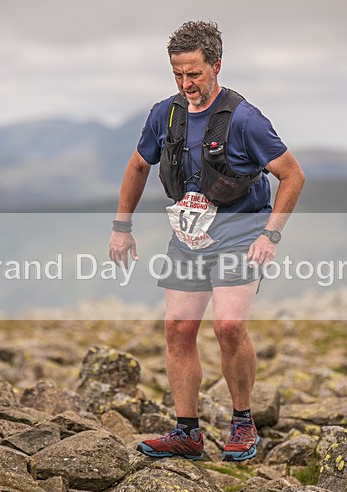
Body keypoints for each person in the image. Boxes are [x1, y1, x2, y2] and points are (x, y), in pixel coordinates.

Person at [109, 20, 305, 462]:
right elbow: (138, 165)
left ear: (217, 65)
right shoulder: (165, 114)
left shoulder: (245, 120)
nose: (186, 83)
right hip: (188, 235)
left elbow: (293, 175)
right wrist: (122, 226)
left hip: (241, 233)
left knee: (229, 327)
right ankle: (187, 432)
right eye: (178, 74)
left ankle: (243, 423)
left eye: (194, 73)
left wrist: (271, 235)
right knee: (178, 329)